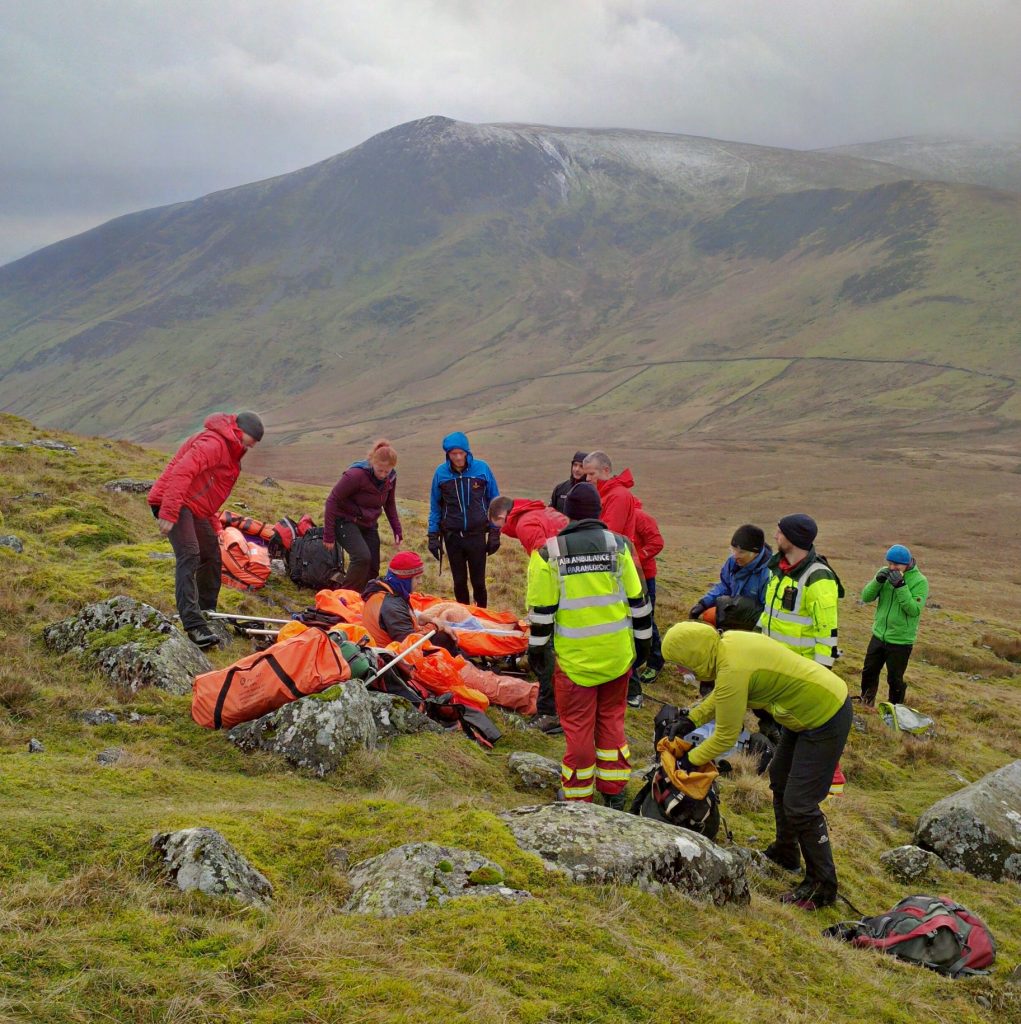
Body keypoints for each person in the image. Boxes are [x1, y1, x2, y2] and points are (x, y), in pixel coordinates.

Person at [661, 621, 852, 910]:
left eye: (680, 664)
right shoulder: (727, 646)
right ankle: (786, 854)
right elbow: (724, 693)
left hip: (826, 714)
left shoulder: (733, 667)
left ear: (694, 654)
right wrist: (692, 719)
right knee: (779, 778)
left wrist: (690, 761)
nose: (679, 671)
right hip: (802, 715)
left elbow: (726, 734)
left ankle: (822, 887)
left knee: (800, 803)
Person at [526, 482, 652, 806]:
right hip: (617, 657)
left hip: (575, 663)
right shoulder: (620, 546)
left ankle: (578, 797)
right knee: (611, 719)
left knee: (579, 728)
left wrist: (537, 652)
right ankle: (614, 790)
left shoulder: (547, 554)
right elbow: (639, 602)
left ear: (568, 514)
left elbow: (542, 615)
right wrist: (644, 645)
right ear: (598, 511)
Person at [148, 411, 263, 648]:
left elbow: (207, 491)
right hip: (173, 501)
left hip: (194, 508)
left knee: (211, 553)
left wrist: (214, 526)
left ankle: (206, 610)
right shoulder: (213, 443)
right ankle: (193, 625)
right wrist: (168, 511)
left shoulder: (231, 453)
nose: (250, 447)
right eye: (249, 442)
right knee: (189, 553)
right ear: (240, 432)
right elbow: (182, 472)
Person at [427, 431, 501, 607]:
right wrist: (432, 536)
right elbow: (435, 506)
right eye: (454, 454)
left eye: (462, 453)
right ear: (448, 454)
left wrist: (495, 532)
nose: (458, 457)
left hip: (476, 536)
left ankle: (482, 616)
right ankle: (463, 619)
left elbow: (495, 501)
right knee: (459, 583)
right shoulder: (441, 473)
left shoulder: (482, 469)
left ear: (468, 452)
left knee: (479, 583)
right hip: (453, 537)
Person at [759, 514, 841, 667]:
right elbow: (769, 612)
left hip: (799, 668)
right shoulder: (777, 569)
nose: (775, 536)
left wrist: (821, 671)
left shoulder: (818, 577)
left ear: (793, 539)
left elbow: (826, 631)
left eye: (780, 532)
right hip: (771, 660)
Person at [323, 439, 403, 593]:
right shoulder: (355, 475)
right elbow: (332, 500)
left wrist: (397, 530)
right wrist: (328, 535)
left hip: (369, 523)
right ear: (372, 461)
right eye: (380, 470)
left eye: (387, 471)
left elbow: (389, 503)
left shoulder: (391, 477)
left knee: (373, 566)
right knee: (362, 558)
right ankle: (344, 597)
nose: (383, 475)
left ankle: (364, 598)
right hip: (345, 520)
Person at [859, 544, 929, 706]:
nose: (891, 568)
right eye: (889, 563)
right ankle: (866, 703)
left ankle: (895, 710)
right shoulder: (883, 573)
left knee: (894, 678)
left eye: (896, 565)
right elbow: (866, 597)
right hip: (879, 635)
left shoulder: (920, 581)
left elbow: (913, 610)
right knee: (869, 672)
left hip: (901, 640)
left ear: (907, 564)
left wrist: (901, 586)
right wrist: (877, 581)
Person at [360, 551, 459, 653]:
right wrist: (436, 626)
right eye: (417, 578)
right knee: (445, 638)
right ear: (404, 579)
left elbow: (403, 620)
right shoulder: (392, 605)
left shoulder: (386, 590)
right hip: (390, 658)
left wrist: (424, 619)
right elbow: (409, 642)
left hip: (387, 647)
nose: (420, 582)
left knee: (443, 636)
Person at [689, 524, 771, 621]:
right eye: (733, 550)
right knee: (709, 615)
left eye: (741, 552)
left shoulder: (769, 573)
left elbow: (769, 611)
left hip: (756, 620)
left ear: (756, 553)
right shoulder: (733, 561)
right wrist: (703, 604)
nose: (735, 556)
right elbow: (725, 586)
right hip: (735, 610)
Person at [633, 505, 666, 686]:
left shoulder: (639, 517)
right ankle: (635, 660)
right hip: (623, 577)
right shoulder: (610, 514)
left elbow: (656, 542)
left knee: (646, 619)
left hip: (643, 576)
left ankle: (655, 661)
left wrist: (635, 559)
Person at [581, 451, 639, 543]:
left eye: (591, 474)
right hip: (605, 553)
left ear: (606, 470)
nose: (587, 479)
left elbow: (610, 534)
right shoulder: (602, 494)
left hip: (614, 554)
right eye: (586, 475)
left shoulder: (618, 495)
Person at [487, 496, 568, 555]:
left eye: (500, 526)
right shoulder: (539, 511)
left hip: (562, 567)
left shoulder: (524, 525)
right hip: (574, 560)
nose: (502, 530)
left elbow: (541, 558)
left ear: (501, 517)